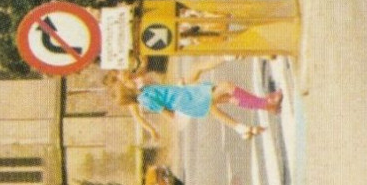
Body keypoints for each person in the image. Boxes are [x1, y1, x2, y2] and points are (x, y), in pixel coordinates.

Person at [104, 60, 281, 142]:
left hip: (187, 94)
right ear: (126, 89)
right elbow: (168, 113)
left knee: (228, 97)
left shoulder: (143, 89)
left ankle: (265, 105)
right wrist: (181, 113)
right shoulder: (145, 98)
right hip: (187, 100)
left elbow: (165, 92)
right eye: (123, 81)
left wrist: (178, 87)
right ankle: (266, 104)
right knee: (227, 87)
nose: (126, 78)